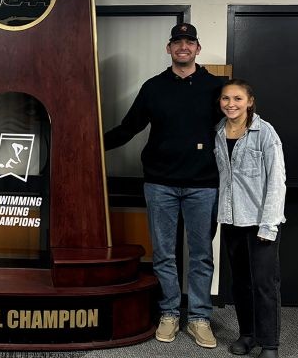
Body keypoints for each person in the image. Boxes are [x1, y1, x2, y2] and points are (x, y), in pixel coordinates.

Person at [103, 23, 223, 348]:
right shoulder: (153, 88)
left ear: (198, 48)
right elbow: (129, 128)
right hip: (160, 185)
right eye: (177, 42)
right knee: (164, 255)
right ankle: (169, 312)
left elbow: (237, 125)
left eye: (189, 42)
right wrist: (91, 144)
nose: (183, 47)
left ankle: (199, 318)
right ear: (168, 49)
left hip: (204, 185)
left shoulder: (216, 87)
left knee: (200, 256)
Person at [215, 79, 286, 358]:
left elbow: (277, 181)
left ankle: (269, 344)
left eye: (237, 99)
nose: (231, 104)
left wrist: (268, 225)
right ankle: (248, 335)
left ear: (250, 101)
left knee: (264, 284)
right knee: (241, 282)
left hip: (260, 222)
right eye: (225, 98)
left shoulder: (265, 132)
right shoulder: (218, 132)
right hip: (232, 220)